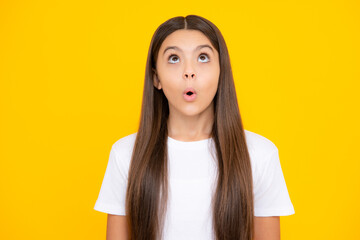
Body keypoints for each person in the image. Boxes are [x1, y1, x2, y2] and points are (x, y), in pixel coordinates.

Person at [94, 15, 295, 240]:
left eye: (202, 57)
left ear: (221, 72)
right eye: (173, 58)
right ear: (155, 78)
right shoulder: (125, 154)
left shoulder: (260, 155)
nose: (189, 72)